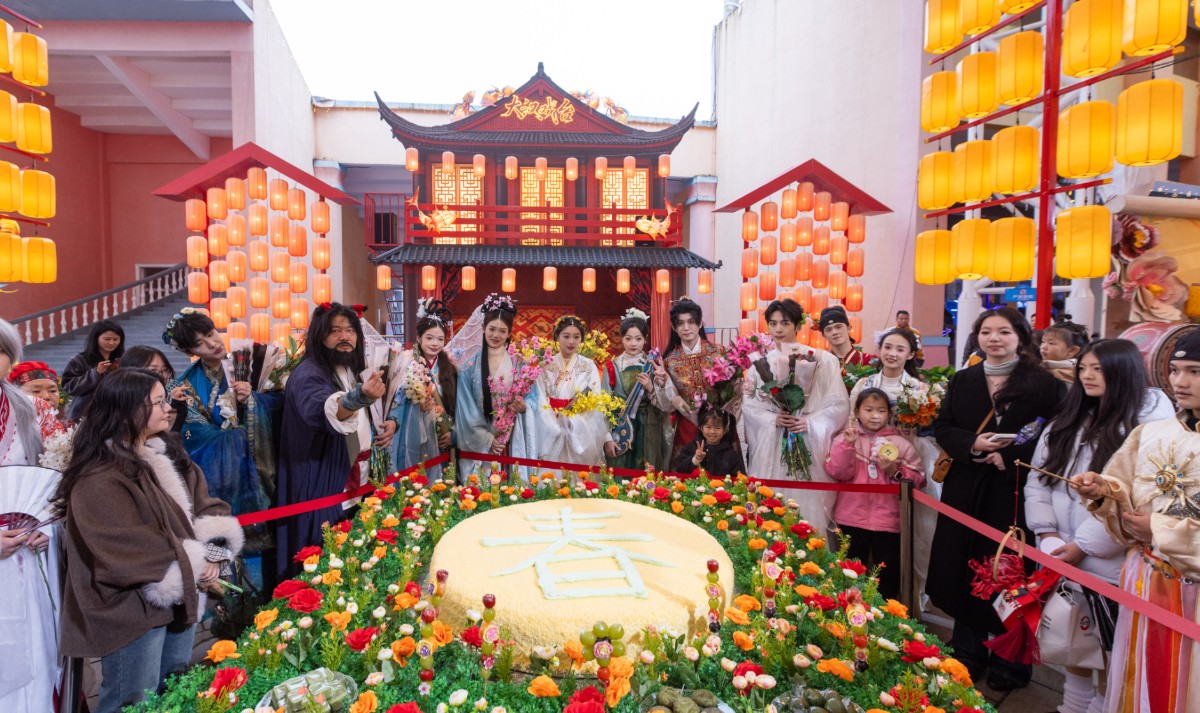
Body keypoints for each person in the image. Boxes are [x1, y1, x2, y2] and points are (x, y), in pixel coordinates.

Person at [56, 369, 243, 713]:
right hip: (132, 607)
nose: (168, 408)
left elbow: (206, 506)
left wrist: (215, 553)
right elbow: (123, 546)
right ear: (126, 410)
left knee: (175, 688)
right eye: (157, 403)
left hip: (181, 595)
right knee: (132, 699)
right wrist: (197, 562)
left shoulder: (167, 454)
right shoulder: (99, 475)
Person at [1028, 339, 1174, 713]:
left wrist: (1082, 546)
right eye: (1084, 368)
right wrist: (1045, 533)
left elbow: (1135, 499)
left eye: (1098, 369)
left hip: (1113, 560)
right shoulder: (1069, 418)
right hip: (1060, 551)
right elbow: (1038, 481)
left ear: (1123, 372)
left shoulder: (1148, 427)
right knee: (1074, 639)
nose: (1088, 376)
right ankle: (1072, 707)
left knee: (1111, 651)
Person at [927, 307, 1065, 691]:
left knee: (1010, 569)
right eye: (986, 331)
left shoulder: (1044, 384)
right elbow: (943, 426)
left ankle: (1012, 659)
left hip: (1014, 491)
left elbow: (1056, 434)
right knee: (964, 564)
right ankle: (967, 650)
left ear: (1020, 336)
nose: (994, 338)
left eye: (1004, 332)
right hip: (966, 488)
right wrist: (973, 443)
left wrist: (1010, 454)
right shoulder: (963, 379)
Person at [1071, 330, 1200, 713]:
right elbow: (1125, 493)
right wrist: (1103, 492)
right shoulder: (1152, 433)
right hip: (1144, 578)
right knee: (1139, 677)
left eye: (1194, 372)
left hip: (1192, 593)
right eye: (1175, 370)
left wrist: (1159, 530)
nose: (1179, 381)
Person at [276, 303, 390, 578]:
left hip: (356, 477)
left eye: (350, 330)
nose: (344, 337)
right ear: (319, 336)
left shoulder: (349, 369)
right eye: (335, 331)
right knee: (322, 560)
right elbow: (320, 407)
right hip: (323, 478)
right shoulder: (309, 373)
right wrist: (359, 397)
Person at [165, 310, 282, 533]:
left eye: (211, 333)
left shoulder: (255, 361)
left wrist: (253, 400)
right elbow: (194, 434)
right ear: (189, 351)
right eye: (199, 343)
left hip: (264, 458)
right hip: (222, 472)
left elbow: (283, 402)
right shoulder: (184, 384)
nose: (212, 344)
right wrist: (235, 437)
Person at [741, 298, 849, 534]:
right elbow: (750, 406)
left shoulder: (822, 359)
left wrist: (810, 422)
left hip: (808, 441)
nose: (778, 329)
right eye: (773, 323)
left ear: (798, 325)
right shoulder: (760, 364)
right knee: (772, 504)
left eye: (785, 323)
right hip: (773, 443)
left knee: (807, 506)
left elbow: (838, 404)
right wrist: (773, 419)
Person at [0, 320, 60, 712]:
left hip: (26, 548)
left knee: (36, 656)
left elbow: (54, 476)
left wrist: (46, 526)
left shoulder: (31, 409)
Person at [826, 387, 925, 600]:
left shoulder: (900, 444)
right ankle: (847, 613)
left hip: (888, 522)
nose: (875, 416)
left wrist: (894, 470)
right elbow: (838, 472)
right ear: (857, 412)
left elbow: (919, 479)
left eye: (881, 411)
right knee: (849, 575)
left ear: (889, 414)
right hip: (851, 518)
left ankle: (885, 614)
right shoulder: (845, 438)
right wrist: (848, 446)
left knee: (887, 577)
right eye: (869, 409)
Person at [452, 293, 539, 480]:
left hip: (512, 437)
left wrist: (525, 407)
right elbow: (465, 410)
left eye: (502, 331)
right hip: (482, 440)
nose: (496, 335)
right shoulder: (469, 367)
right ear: (483, 328)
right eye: (492, 329)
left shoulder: (520, 364)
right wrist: (488, 439)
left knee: (511, 487)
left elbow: (534, 398)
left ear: (509, 333)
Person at [388, 301, 456, 479]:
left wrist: (452, 432)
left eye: (440, 339)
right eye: (429, 338)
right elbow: (394, 401)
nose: (435, 343)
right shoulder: (406, 363)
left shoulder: (450, 367)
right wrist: (416, 405)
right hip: (413, 434)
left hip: (442, 437)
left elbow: (458, 405)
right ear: (418, 338)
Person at [537, 315, 608, 467]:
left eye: (576, 337)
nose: (571, 342)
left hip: (578, 429)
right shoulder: (545, 365)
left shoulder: (589, 365)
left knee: (579, 475)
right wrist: (553, 422)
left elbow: (595, 400)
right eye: (566, 336)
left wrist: (572, 420)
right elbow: (540, 398)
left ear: (581, 339)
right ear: (557, 336)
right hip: (551, 425)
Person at [602, 308, 669, 471]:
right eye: (628, 338)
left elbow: (666, 404)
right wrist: (607, 437)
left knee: (647, 470)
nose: (633, 343)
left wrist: (651, 388)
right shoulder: (611, 366)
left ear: (645, 340)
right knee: (620, 471)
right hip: (620, 427)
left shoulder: (654, 366)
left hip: (649, 425)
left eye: (638, 339)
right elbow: (603, 405)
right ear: (622, 339)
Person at [660, 297, 724, 464]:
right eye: (680, 323)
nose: (686, 328)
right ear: (674, 327)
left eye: (691, 322)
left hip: (718, 427)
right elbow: (667, 403)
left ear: (700, 323)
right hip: (686, 427)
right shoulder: (669, 362)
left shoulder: (719, 353)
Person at [62, 318, 125, 419]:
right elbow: (69, 386)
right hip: (86, 414)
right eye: (107, 339)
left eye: (115, 339)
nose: (111, 343)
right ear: (96, 338)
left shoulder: (123, 359)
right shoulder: (80, 360)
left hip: (116, 413)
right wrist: (95, 374)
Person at [849, 328, 923, 408]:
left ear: (911, 354)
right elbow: (853, 414)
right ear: (880, 349)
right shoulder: (863, 384)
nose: (892, 354)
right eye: (887, 347)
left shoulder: (920, 389)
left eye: (900, 350)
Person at [121, 345, 186, 432]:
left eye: (165, 370)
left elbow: (170, 435)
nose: (161, 376)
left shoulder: (171, 400)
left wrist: (177, 406)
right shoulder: (122, 401)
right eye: (153, 370)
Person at [671, 403, 745, 477]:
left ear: (725, 430)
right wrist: (695, 459)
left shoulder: (731, 454)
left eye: (718, 428)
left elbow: (739, 478)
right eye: (708, 427)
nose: (712, 431)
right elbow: (679, 468)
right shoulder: (692, 447)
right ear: (701, 428)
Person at [819, 306, 874, 371]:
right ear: (823, 335)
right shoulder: (820, 365)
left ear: (849, 328)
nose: (834, 332)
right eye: (828, 330)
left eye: (838, 327)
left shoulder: (870, 361)